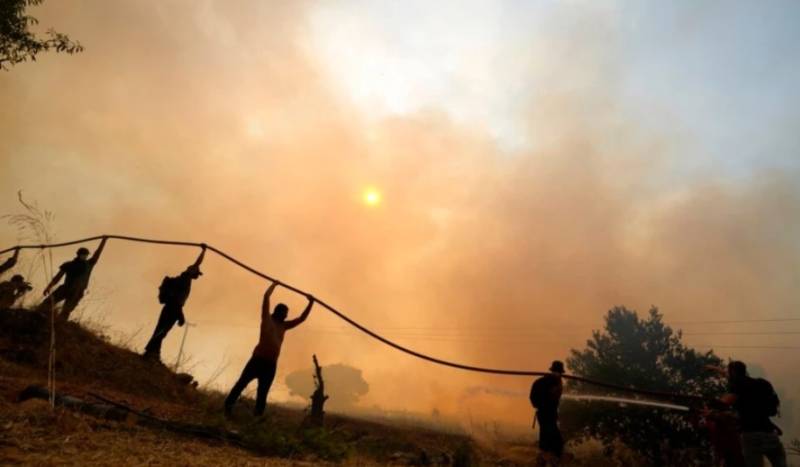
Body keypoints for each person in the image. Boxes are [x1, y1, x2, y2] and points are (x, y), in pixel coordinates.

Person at [225, 281, 314, 417]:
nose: (286, 316)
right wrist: (274, 285)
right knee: (241, 384)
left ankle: (257, 419)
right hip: (257, 360)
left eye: (286, 314)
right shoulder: (266, 319)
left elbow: (302, 318)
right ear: (277, 312)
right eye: (284, 313)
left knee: (262, 393)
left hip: (270, 364)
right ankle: (227, 408)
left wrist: (310, 303)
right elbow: (266, 297)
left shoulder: (284, 326)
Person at [714, 361, 787, 467]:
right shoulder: (762, 383)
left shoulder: (737, 385)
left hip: (750, 436)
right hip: (770, 433)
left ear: (733, 373)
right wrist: (718, 370)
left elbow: (724, 402)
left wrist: (711, 407)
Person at [143, 244, 206, 362]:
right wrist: (203, 251)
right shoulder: (185, 278)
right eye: (197, 272)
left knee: (162, 330)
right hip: (173, 308)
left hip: (172, 307)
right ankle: (149, 352)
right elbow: (197, 263)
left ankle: (154, 354)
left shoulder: (184, 279)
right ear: (192, 271)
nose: (198, 275)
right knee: (162, 331)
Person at [38, 237, 108, 321]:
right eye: (83, 254)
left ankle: (60, 325)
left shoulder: (89, 264)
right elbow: (58, 277)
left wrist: (104, 241)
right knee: (47, 303)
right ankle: (38, 317)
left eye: (86, 255)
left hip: (77, 291)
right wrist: (48, 287)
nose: (85, 256)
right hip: (66, 288)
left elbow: (97, 254)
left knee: (66, 312)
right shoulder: (68, 264)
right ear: (78, 254)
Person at [530, 360, 565, 465]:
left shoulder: (542, 381)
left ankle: (545, 460)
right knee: (557, 442)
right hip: (546, 415)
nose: (559, 374)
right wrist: (543, 405)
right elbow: (533, 398)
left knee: (545, 442)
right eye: (558, 372)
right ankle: (551, 460)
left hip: (545, 415)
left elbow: (533, 399)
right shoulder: (546, 382)